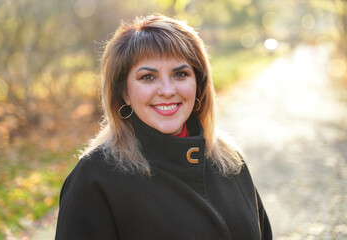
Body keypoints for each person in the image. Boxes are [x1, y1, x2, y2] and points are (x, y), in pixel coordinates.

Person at [55, 15, 272, 240]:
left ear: (198, 84)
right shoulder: (94, 178)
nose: (167, 90)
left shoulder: (230, 162)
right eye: (148, 77)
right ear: (124, 93)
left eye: (180, 74)